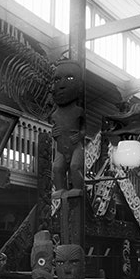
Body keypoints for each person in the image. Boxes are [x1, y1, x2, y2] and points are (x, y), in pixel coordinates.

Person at [48, 60, 86, 196]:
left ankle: (78, 188)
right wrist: (54, 133)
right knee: (57, 168)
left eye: (69, 78)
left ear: (80, 86)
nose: (62, 85)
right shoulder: (55, 114)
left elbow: (84, 128)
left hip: (75, 146)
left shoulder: (79, 111)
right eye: (57, 79)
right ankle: (59, 189)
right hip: (61, 148)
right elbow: (54, 129)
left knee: (75, 166)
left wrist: (80, 135)